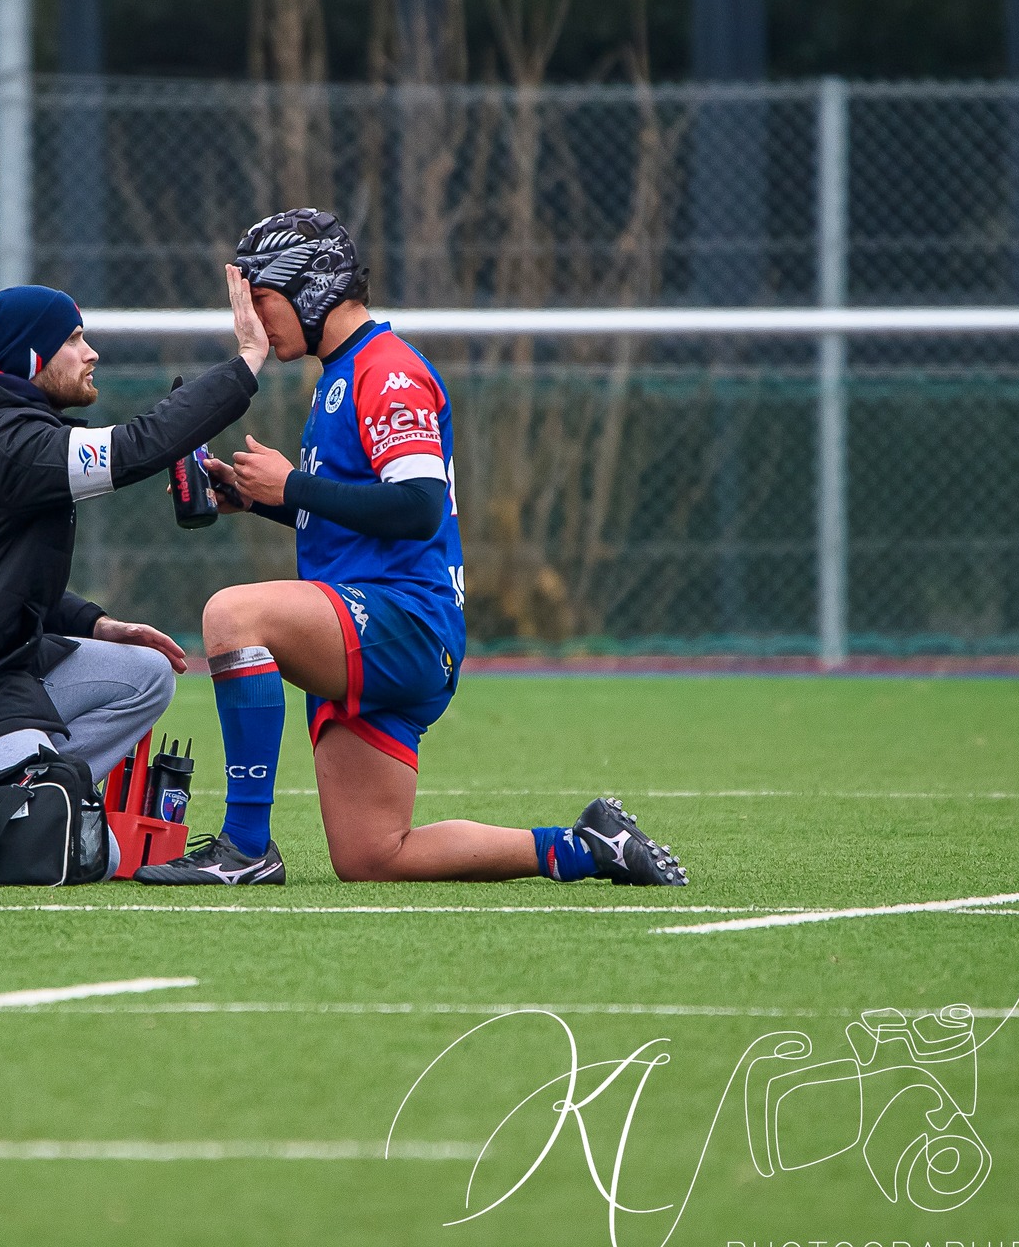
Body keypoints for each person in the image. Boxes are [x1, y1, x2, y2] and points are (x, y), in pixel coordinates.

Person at [134, 209, 688, 887]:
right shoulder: (341, 372)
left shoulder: (386, 369)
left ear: (311, 287)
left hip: (403, 621)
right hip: (381, 624)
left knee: (231, 616)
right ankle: (584, 846)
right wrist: (264, 499)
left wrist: (295, 485)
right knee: (373, 856)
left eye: (261, 298)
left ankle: (246, 846)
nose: (251, 316)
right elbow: (368, 518)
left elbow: (419, 507)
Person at [0, 270, 274, 780]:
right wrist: (249, 360)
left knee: (146, 675)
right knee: (89, 854)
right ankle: (13, 803)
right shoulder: (1, 441)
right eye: (74, 340)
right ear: (32, 356)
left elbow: (1, 583)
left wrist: (96, 625)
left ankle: (35, 799)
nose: (91, 353)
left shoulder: (6, 428)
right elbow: (136, 448)